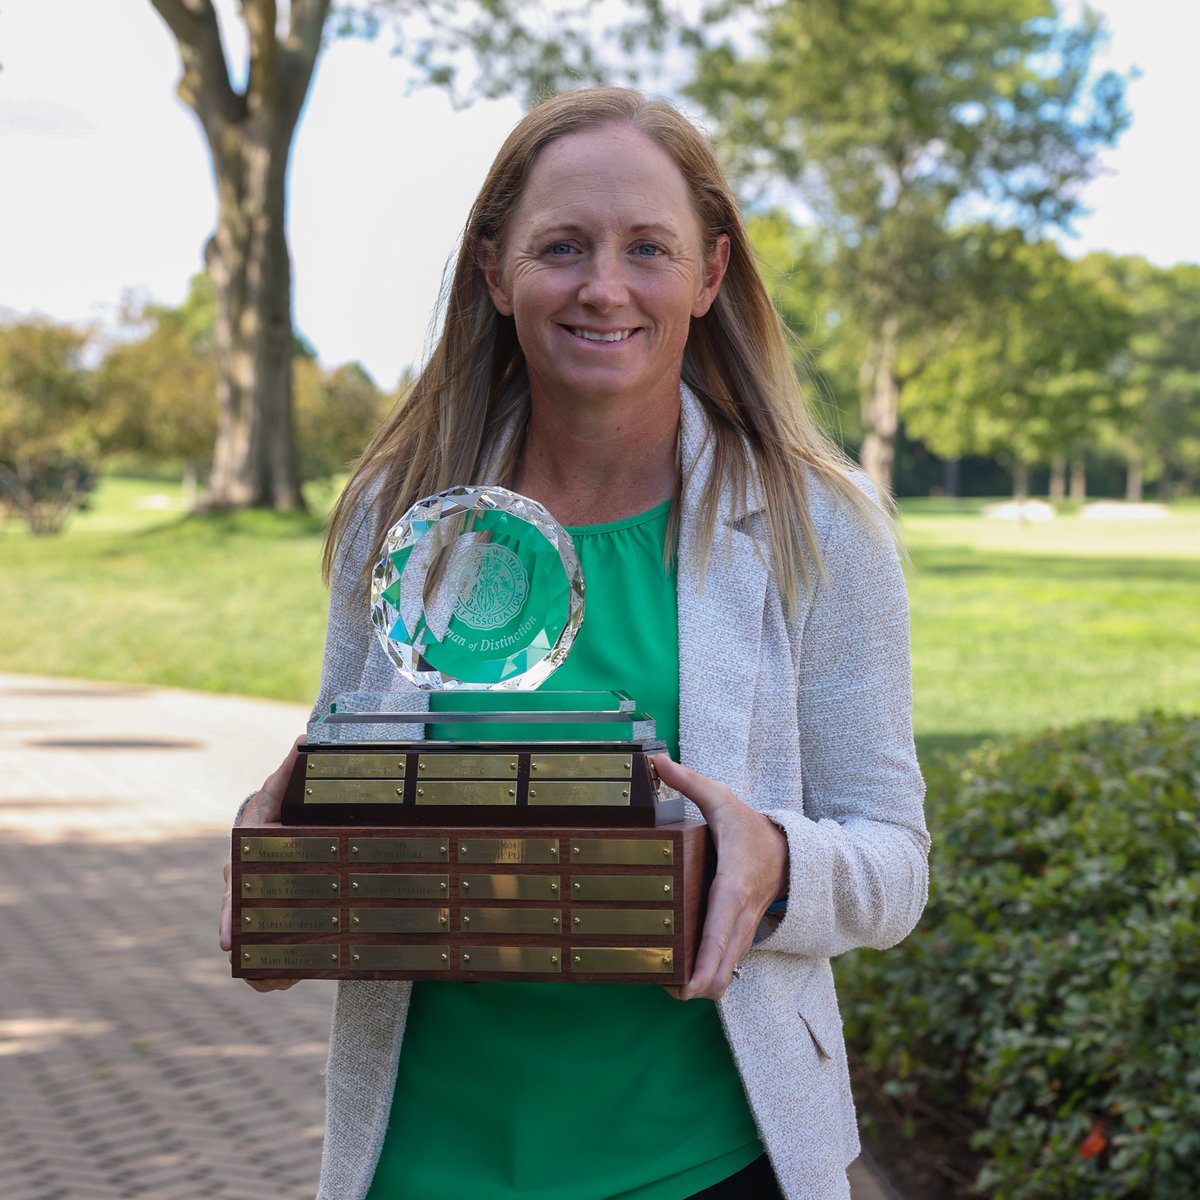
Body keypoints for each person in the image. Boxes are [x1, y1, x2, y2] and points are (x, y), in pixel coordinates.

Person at [220, 87, 928, 1200]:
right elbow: (349, 787)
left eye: (648, 247)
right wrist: (293, 865)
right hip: (427, 1161)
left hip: (712, 1163)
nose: (605, 286)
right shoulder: (395, 517)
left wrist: (778, 862)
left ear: (709, 275)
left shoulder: (818, 525)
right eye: (563, 247)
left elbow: (894, 863)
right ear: (495, 273)